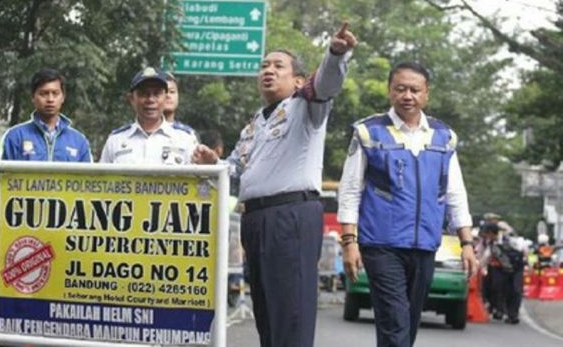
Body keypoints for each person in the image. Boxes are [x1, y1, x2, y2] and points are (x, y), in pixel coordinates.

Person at [192, 22, 357, 347]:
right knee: (267, 313)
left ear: (298, 80)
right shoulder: (255, 123)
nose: (268, 71)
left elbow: (326, 82)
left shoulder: (307, 106)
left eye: (278, 66)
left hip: (290, 215)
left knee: (290, 314)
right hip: (255, 219)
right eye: (264, 66)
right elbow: (236, 171)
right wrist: (214, 163)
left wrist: (335, 54)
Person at [338, 61, 477, 347]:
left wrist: (467, 243)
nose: (407, 96)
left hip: (425, 245)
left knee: (408, 323)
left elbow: (455, 193)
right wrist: (349, 242)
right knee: (394, 319)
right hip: (381, 244)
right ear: (390, 91)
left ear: (426, 94)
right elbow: (350, 189)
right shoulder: (368, 132)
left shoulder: (444, 137)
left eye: (415, 90)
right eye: (400, 89)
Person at [100, 67, 197, 164]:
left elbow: (200, 177)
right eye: (143, 94)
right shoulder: (115, 141)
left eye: (157, 93)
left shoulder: (185, 139)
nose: (150, 100)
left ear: (165, 98)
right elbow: (101, 178)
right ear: (131, 99)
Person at [0, 68, 92, 162]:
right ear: (33, 97)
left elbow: (87, 176)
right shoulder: (16, 137)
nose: (50, 99)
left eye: (55, 93)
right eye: (44, 94)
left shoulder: (78, 142)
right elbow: (5, 175)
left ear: (63, 97)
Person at [164, 72, 199, 141]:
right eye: (164, 92)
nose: (168, 96)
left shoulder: (188, 135)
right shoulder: (140, 131)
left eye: (172, 92)